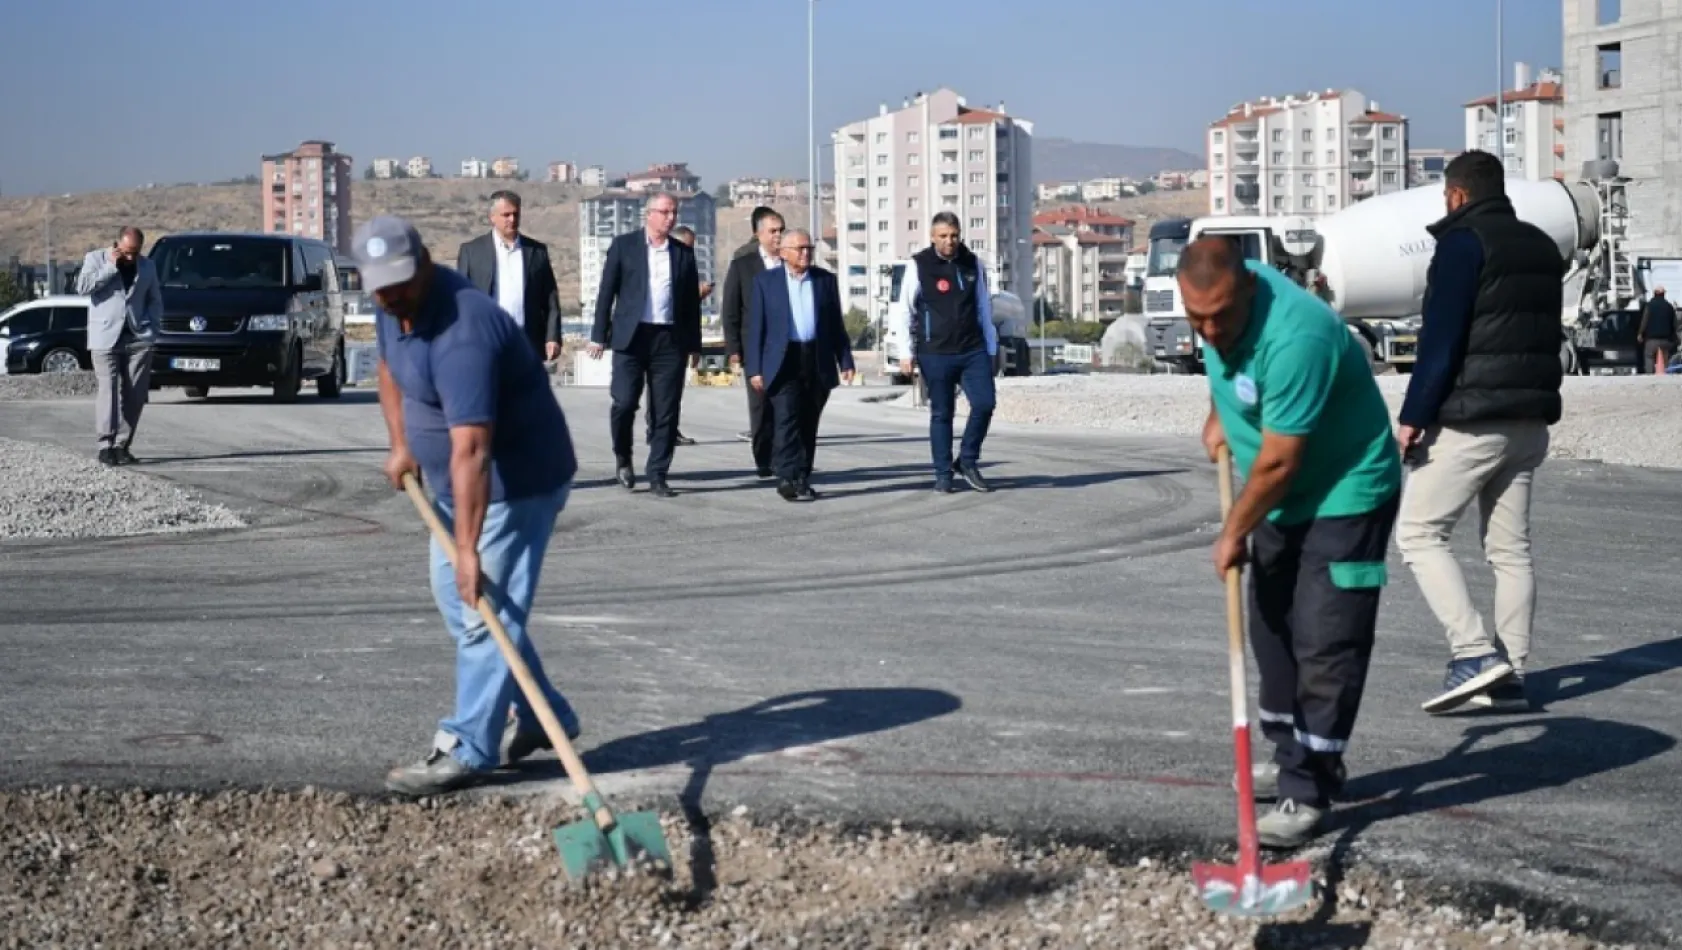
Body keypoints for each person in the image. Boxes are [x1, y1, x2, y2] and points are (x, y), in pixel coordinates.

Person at [1182, 235, 1403, 849]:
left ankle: (1308, 787)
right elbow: (1232, 372)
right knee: (1270, 624)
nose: (1208, 330)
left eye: (1220, 316)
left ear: (1247, 290)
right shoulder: (1221, 302)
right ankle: (1287, 755)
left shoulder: (1297, 335)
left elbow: (1280, 462)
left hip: (1344, 489)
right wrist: (1219, 411)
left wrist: (1231, 532)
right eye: (1195, 318)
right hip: (1278, 494)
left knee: (1324, 639)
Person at [354, 215, 582, 797]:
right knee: (471, 606)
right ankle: (540, 714)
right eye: (380, 288)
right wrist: (401, 444)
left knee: (481, 611)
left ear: (426, 261)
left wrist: (467, 548)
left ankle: (469, 746)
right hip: (457, 481)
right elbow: (388, 369)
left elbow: (474, 450)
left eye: (400, 284)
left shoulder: (464, 330)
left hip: (515, 483)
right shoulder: (390, 307)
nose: (391, 297)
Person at [1395, 150, 1566, 716]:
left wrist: (1414, 415)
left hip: (1472, 420)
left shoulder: (1462, 244)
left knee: (1419, 533)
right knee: (1511, 551)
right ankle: (1512, 673)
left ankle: (1472, 653)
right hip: (1530, 420)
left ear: (1458, 195)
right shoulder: (1542, 246)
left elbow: (1440, 341)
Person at [588, 192, 702, 498]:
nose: (670, 218)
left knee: (666, 410)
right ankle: (623, 457)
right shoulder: (624, 246)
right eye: (664, 212)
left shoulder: (682, 253)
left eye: (674, 213)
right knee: (624, 402)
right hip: (631, 337)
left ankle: (658, 474)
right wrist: (598, 335)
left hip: (669, 340)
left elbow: (692, 303)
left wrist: (694, 345)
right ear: (648, 214)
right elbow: (606, 293)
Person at [888, 212, 999, 493]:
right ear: (932, 236)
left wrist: (991, 346)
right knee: (942, 414)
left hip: (972, 349)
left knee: (984, 404)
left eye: (954, 235)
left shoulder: (973, 264)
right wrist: (905, 352)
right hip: (935, 352)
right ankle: (943, 473)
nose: (949, 241)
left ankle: (968, 460)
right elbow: (904, 310)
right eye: (943, 236)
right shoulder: (919, 266)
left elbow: (983, 306)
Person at [745, 228, 854, 500]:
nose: (806, 253)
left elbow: (835, 325)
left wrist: (845, 359)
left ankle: (802, 476)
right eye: (800, 249)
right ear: (783, 253)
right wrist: (754, 369)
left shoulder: (824, 281)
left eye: (809, 249)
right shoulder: (765, 282)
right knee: (787, 419)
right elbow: (755, 328)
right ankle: (786, 476)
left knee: (808, 422)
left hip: (816, 358)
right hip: (783, 360)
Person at [76, 226, 162, 466]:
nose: (131, 257)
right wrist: (110, 267)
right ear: (117, 245)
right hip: (105, 338)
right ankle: (105, 445)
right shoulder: (95, 259)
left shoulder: (148, 266)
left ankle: (122, 445)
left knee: (135, 395)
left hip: (138, 338)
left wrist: (152, 329)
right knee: (108, 391)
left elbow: (155, 299)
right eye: (126, 252)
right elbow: (83, 288)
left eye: (135, 252)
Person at [454, 190, 564, 363]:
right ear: (492, 217)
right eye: (506, 215)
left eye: (516, 214)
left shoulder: (536, 252)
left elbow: (550, 300)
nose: (512, 220)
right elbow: (460, 300)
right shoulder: (472, 252)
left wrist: (552, 338)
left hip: (526, 344)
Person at [720, 207, 786, 473]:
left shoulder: (791, 263)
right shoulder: (743, 266)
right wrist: (734, 348)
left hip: (788, 347)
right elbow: (731, 310)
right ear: (758, 234)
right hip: (756, 349)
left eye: (781, 230)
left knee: (787, 406)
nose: (778, 236)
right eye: (772, 231)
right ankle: (764, 458)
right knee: (761, 407)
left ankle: (786, 459)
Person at [653, 225, 709, 448]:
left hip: (681, 338)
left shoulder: (687, 268)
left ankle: (668, 429)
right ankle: (661, 430)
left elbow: (689, 311)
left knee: (673, 390)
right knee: (663, 390)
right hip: (663, 338)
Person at [1638, 285, 1677, 375]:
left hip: (1652, 339)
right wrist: (1674, 337)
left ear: (1654, 294)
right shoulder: (1669, 307)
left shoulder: (1649, 306)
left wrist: (1640, 333)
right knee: (1665, 357)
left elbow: (1645, 321)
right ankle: (1666, 372)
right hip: (1666, 339)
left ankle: (1650, 374)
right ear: (1664, 294)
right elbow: (1674, 323)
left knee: (1649, 356)